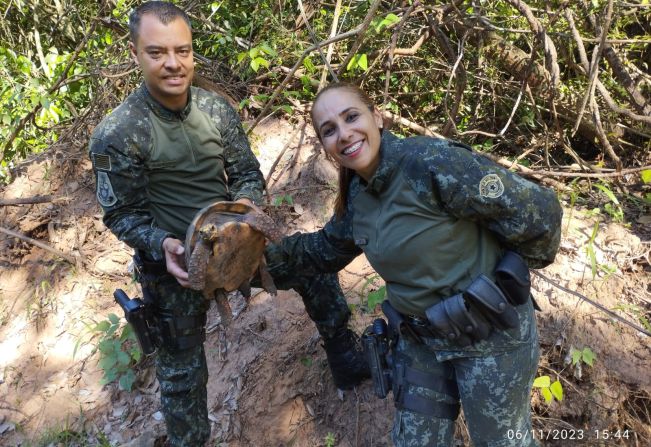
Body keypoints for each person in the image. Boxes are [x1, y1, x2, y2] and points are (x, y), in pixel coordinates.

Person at [88, 4, 368, 446]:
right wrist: (160, 243)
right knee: (181, 377)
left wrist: (248, 211)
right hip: (174, 266)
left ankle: (345, 358)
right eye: (157, 52)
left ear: (193, 52)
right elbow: (122, 215)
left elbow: (245, 173)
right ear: (136, 53)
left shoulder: (215, 111)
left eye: (182, 50)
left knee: (312, 269)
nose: (173, 63)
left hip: (239, 242)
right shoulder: (118, 132)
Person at [265, 82, 563, 446]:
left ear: (377, 116)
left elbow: (539, 212)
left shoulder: (431, 163)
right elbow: (324, 250)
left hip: (490, 338)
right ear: (326, 147)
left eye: (351, 117)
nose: (344, 134)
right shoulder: (357, 195)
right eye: (329, 130)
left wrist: (511, 277)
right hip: (422, 342)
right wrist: (253, 266)